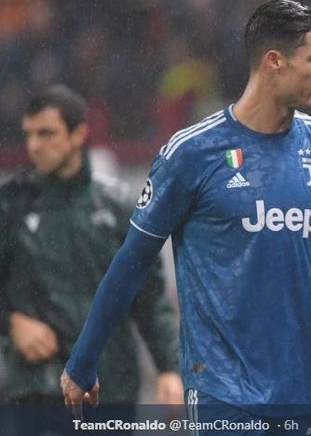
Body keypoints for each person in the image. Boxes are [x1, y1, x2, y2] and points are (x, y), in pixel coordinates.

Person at [60, 0, 311, 435]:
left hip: (300, 393)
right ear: (274, 62)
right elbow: (132, 262)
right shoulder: (192, 153)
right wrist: (83, 360)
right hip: (221, 394)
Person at [0, 85, 182, 434]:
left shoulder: (115, 208)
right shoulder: (9, 205)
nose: (35, 144)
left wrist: (169, 368)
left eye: (47, 133)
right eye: (29, 134)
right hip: (37, 388)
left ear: (79, 133)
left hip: (110, 384)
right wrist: (12, 323)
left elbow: (149, 298)